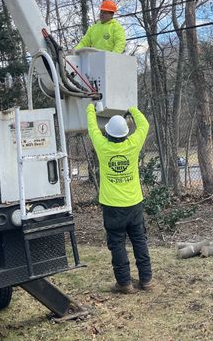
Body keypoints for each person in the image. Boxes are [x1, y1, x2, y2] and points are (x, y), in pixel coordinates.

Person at [86, 103, 153, 294]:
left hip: (112, 206)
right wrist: (131, 107)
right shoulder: (133, 144)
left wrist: (90, 107)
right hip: (134, 203)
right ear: (125, 133)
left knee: (117, 243)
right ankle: (146, 280)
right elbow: (144, 125)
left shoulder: (102, 146)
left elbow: (91, 127)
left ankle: (124, 283)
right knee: (139, 240)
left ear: (107, 133)